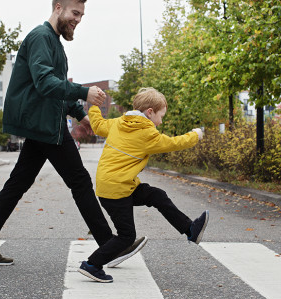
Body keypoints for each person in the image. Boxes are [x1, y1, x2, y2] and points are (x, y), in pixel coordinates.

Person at [0, 0, 147, 266]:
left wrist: (81, 114)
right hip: (44, 125)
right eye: (75, 13)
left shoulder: (54, 44)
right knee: (79, 181)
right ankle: (109, 245)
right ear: (58, 8)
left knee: (18, 183)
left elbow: (56, 91)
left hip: (42, 123)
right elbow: (44, 83)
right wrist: (83, 93)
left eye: (81, 15)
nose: (78, 20)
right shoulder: (41, 38)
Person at [78, 88, 209, 283]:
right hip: (117, 190)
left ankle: (190, 229)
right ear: (149, 112)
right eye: (160, 116)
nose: (161, 122)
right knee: (127, 236)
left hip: (118, 185)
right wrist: (195, 135)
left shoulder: (119, 123)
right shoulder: (147, 133)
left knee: (156, 195)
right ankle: (92, 265)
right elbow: (174, 143)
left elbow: (97, 125)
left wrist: (94, 106)